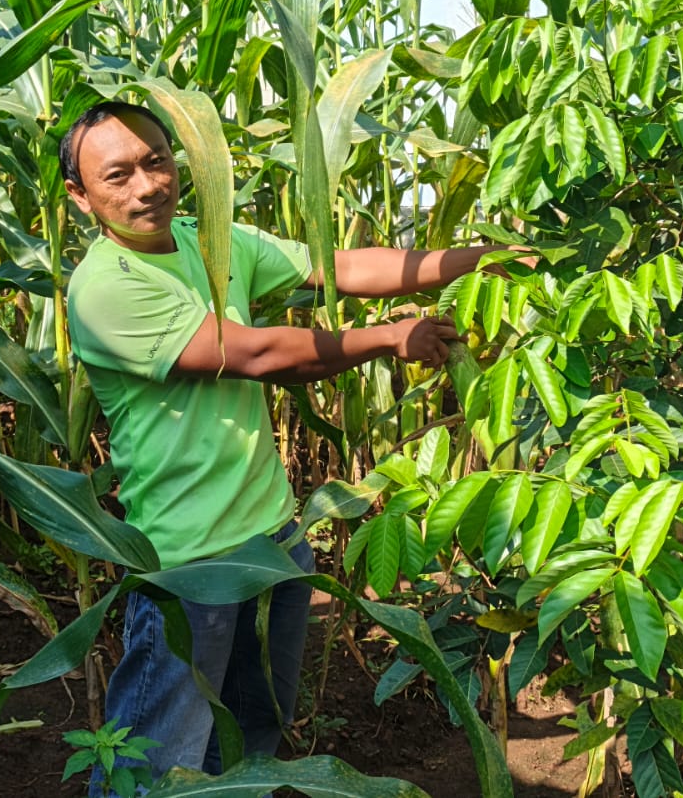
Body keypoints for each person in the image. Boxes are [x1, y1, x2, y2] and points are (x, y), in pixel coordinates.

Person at [61, 101, 531, 785]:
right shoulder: (105, 288)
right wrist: (386, 337)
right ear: (81, 196)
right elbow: (249, 353)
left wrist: (483, 261)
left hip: (273, 540)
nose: (146, 185)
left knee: (253, 738)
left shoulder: (208, 239)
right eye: (118, 174)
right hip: (189, 562)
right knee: (156, 762)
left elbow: (339, 266)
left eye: (157, 161)